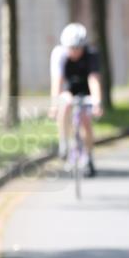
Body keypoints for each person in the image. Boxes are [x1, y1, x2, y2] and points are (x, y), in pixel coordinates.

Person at [49, 23, 103, 176]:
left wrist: (97, 102)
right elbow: (57, 81)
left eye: (78, 48)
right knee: (65, 104)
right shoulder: (59, 55)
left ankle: (89, 155)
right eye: (71, 48)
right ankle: (64, 142)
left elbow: (94, 79)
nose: (74, 52)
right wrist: (54, 105)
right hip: (68, 88)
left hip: (85, 89)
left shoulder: (91, 54)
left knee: (86, 119)